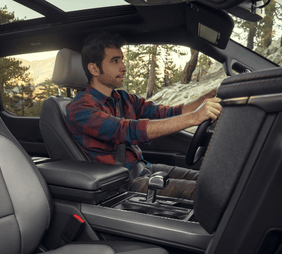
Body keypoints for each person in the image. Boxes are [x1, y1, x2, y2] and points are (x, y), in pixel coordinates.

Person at [66, 32, 222, 200]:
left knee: (214, 181)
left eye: (122, 59)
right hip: (122, 184)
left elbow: (166, 113)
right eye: (115, 61)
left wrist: (204, 99)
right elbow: (126, 130)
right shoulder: (80, 108)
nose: (124, 66)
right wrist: (194, 117)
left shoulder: (123, 98)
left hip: (144, 169)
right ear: (94, 69)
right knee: (211, 194)